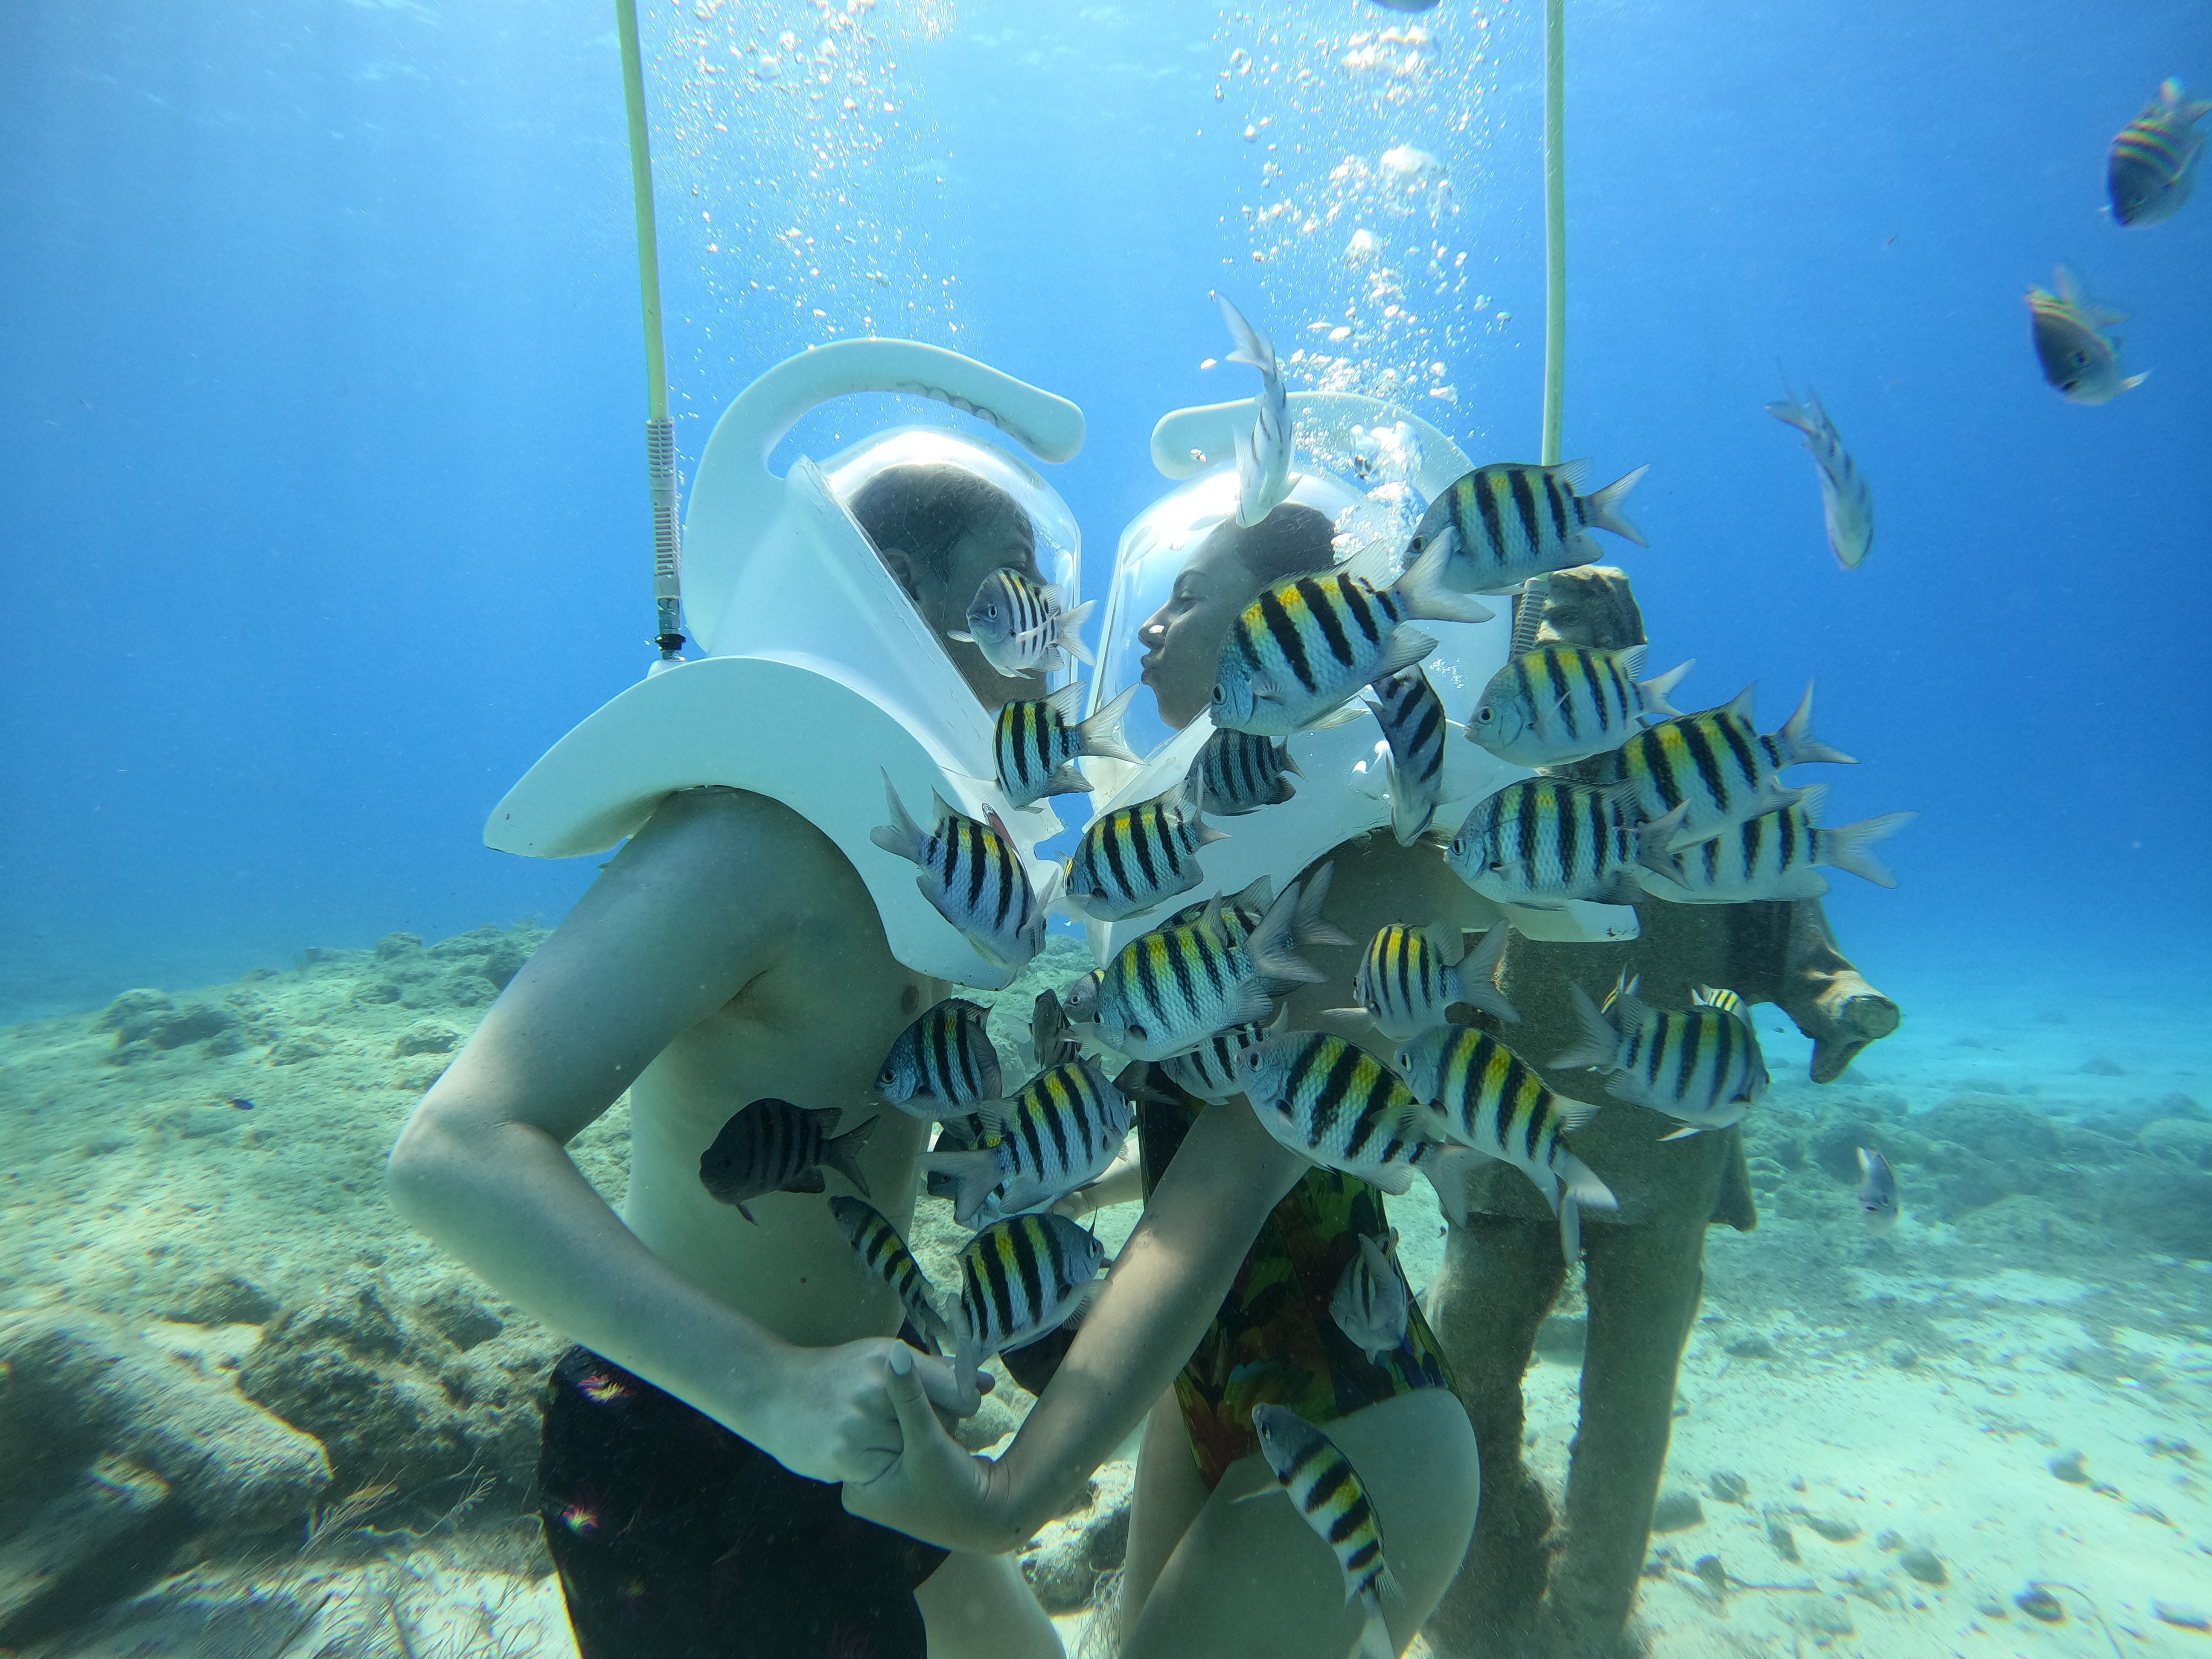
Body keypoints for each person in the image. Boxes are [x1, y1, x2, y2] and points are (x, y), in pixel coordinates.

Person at [386, 340, 1088, 1659]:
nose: (1046, 626)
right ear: (892, 599)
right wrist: (768, 1387)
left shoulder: (918, 869)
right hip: (697, 1448)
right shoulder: (752, 841)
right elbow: (453, 1152)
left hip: (854, 1427)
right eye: (1011, 588)